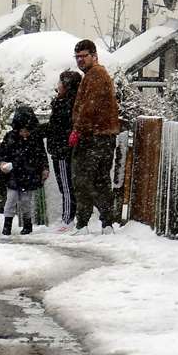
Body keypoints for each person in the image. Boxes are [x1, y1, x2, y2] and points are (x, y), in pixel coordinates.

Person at [69, 38, 123, 231]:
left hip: (94, 137)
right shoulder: (96, 74)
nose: (80, 60)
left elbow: (89, 107)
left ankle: (84, 223)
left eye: (84, 56)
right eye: (77, 57)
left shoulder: (96, 75)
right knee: (100, 180)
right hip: (102, 136)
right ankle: (106, 223)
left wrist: (77, 130)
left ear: (94, 56)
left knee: (83, 179)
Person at [0, 105, 50, 235]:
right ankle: (7, 225)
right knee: (11, 199)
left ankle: (27, 224)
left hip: (29, 173)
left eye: (27, 131)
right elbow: (1, 152)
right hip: (13, 174)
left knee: (26, 201)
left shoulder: (35, 139)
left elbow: (42, 155)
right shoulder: (10, 137)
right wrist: (2, 163)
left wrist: (45, 168)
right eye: (22, 130)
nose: (25, 133)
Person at [47, 69, 81, 229]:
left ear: (66, 85)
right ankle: (69, 218)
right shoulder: (68, 103)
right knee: (68, 186)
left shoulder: (66, 104)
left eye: (60, 82)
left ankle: (67, 220)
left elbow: (57, 128)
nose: (57, 86)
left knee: (67, 187)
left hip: (63, 151)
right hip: (62, 150)